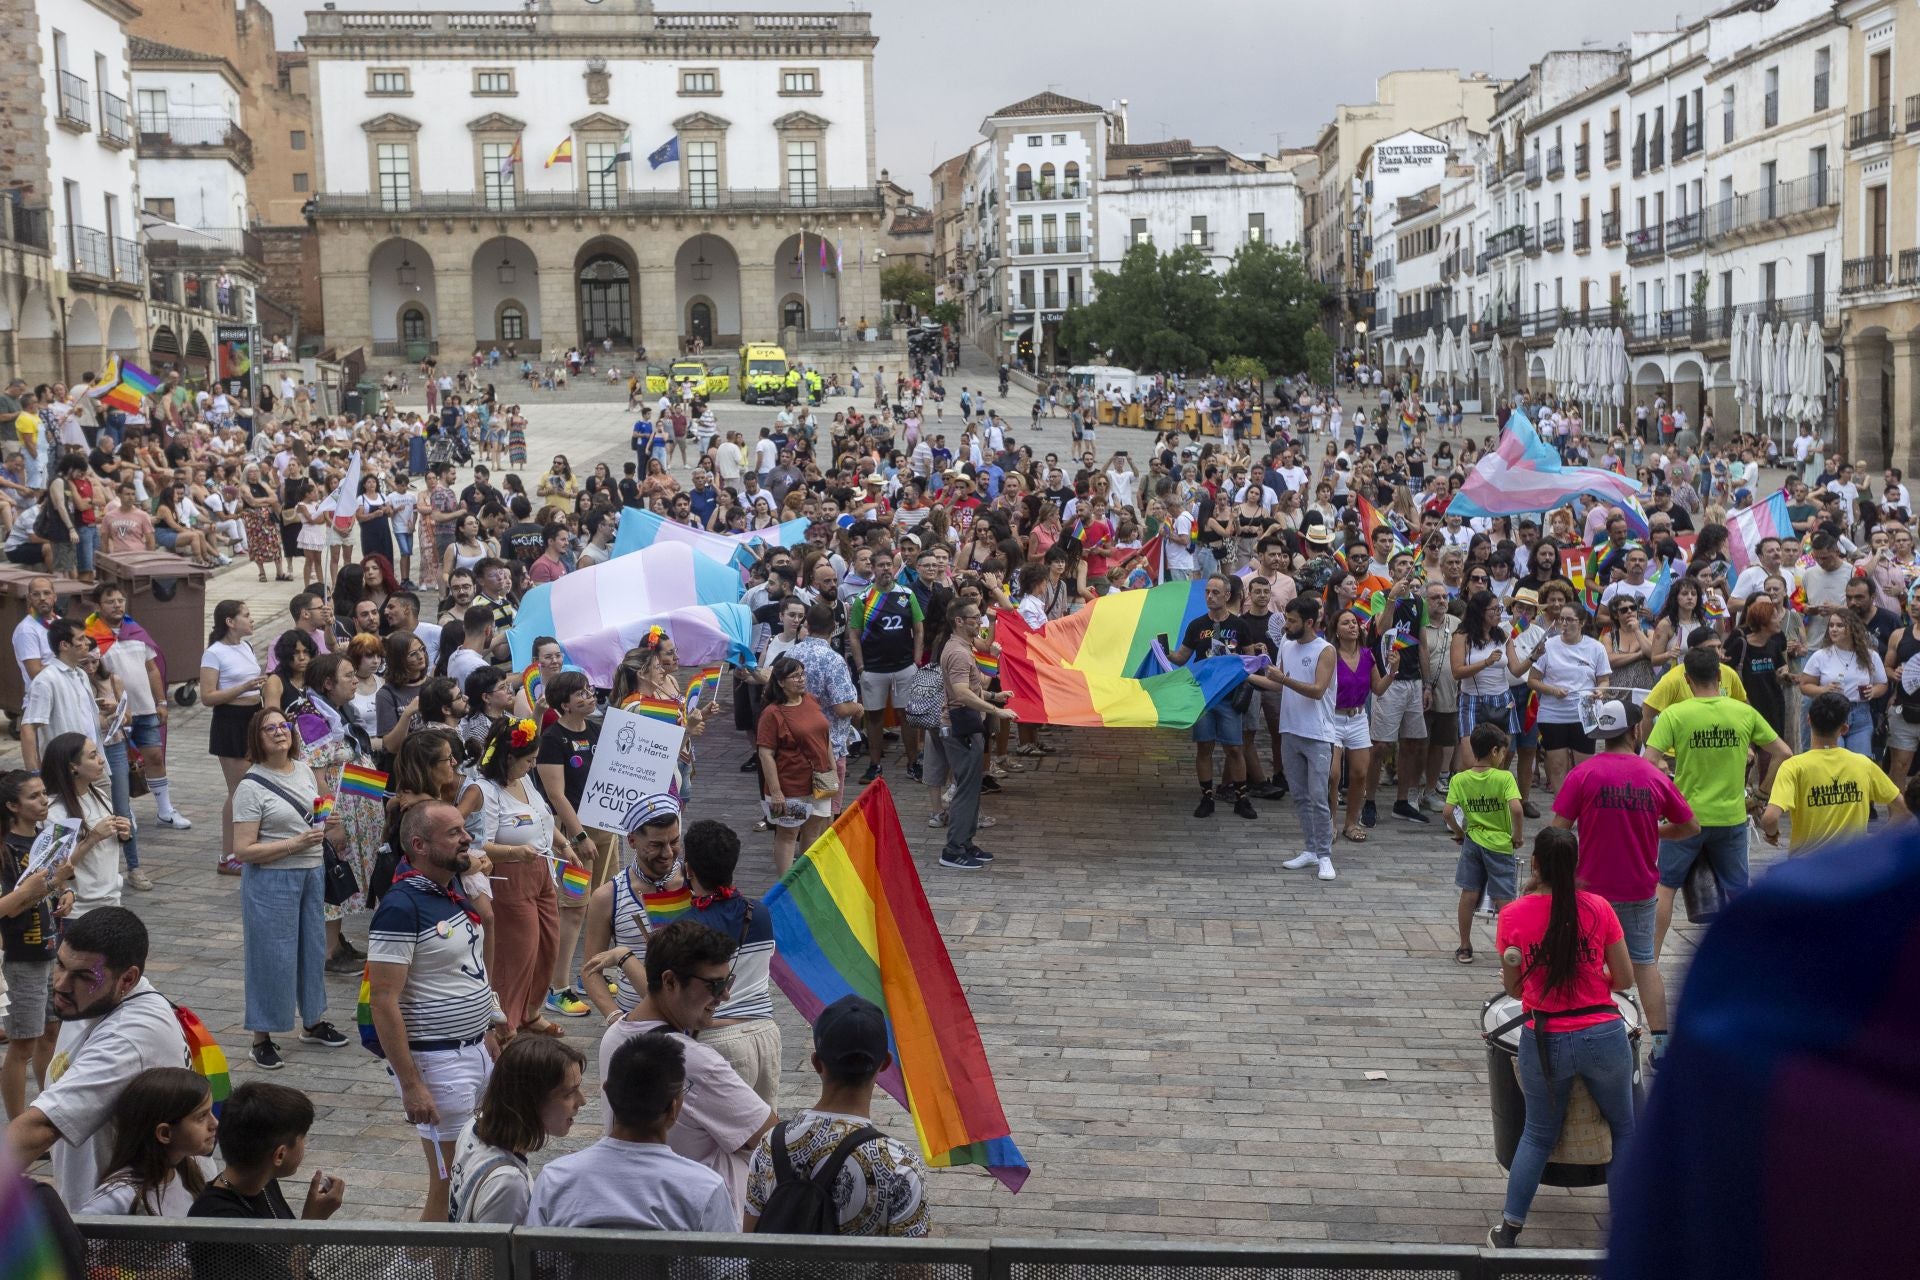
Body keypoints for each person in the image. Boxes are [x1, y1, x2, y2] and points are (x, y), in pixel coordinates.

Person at [1486, 828, 1636, 1250]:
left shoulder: (1513, 914)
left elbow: (1515, 990)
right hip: (1603, 1035)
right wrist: (1594, 980)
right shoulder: (1599, 908)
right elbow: (1624, 978)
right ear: (1576, 865)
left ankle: (1510, 1230)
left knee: (1536, 1134)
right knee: (1624, 1128)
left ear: (1535, 864)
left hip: (1545, 1037)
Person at [366, 800, 500, 1222]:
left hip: (474, 1049)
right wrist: (411, 1084)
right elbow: (383, 999)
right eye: (454, 833)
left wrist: (489, 1024)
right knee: (447, 1186)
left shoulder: (450, 889)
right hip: (438, 1062)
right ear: (420, 845)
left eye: (464, 829)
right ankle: (427, 1265)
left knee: (476, 1173)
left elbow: (468, 970)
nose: (467, 839)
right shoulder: (401, 906)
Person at [5, 908, 190, 1209]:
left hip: (140, 1235)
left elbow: (40, 1129)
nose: (61, 984)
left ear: (128, 979)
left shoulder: (128, 1038)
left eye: (82, 976)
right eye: (60, 966)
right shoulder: (94, 999)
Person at [598, 919, 776, 1222]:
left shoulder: (616, 1034)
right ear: (669, 981)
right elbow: (772, 1139)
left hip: (641, 1203)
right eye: (715, 985)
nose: (725, 996)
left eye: (728, 982)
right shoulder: (695, 1061)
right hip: (702, 1214)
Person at [1551, 698, 1699, 1061]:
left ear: (1601, 733)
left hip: (1588, 890)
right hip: (1639, 889)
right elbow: (1691, 826)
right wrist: (1657, 831)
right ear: (1635, 731)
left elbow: (1558, 833)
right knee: (1644, 963)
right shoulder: (1653, 776)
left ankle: (1577, 1034)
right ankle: (1662, 1047)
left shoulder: (1582, 774)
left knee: (1581, 960)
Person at [1643, 648, 1791, 959]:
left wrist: (1664, 791)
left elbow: (1648, 764)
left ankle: (1651, 959)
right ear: (1721, 676)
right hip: (1731, 816)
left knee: (1665, 887)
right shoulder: (1743, 713)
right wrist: (1761, 794)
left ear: (1686, 679)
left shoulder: (1675, 714)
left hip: (1685, 818)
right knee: (1738, 891)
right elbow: (1783, 753)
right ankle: (1750, 957)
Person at [744, 993, 930, 1236]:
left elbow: (749, 1243)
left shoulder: (770, 1145)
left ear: (816, 1063)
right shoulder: (900, 1166)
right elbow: (913, 1270)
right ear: (884, 1063)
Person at [231, 707, 349, 1069]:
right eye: (270, 729)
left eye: (284, 726)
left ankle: (312, 1021)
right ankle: (261, 1037)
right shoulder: (250, 787)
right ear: (257, 738)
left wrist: (329, 820)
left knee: (312, 948)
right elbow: (243, 850)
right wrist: (293, 844)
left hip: (311, 873)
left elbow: (318, 806)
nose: (280, 732)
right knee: (271, 955)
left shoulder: (302, 770)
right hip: (271, 878)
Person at [526, 1032, 735, 1232]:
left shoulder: (555, 1180)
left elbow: (535, 1263)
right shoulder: (705, 1188)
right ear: (673, 1109)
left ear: (607, 1091)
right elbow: (728, 1267)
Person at [472, 716, 567, 1039]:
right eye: (529, 760)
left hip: (541, 870)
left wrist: (566, 843)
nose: (533, 766)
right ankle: (505, 1024)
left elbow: (543, 817)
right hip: (510, 876)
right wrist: (515, 853)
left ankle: (531, 1010)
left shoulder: (524, 780)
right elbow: (478, 843)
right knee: (519, 952)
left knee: (548, 945)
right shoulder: (486, 791)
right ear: (509, 758)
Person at [677, 820, 780, 1107]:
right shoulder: (759, 913)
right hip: (765, 1034)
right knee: (762, 1136)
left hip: (719, 1037)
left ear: (689, 870)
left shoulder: (688, 926)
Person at [446, 1036, 586, 1223]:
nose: (582, 1101)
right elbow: (494, 1252)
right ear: (531, 1101)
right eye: (569, 1093)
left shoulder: (475, 1125)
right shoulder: (508, 1184)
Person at [0, 771, 74, 1122]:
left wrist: (64, 891)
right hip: (20, 955)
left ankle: (46, 1111)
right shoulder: (5, 849)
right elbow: (9, 904)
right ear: (12, 806)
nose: (44, 800)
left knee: (51, 1032)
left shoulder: (46, 840)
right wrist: (26, 893)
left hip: (48, 949)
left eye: (44, 793)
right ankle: (17, 1125)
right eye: (34, 796)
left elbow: (49, 887)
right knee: (22, 1044)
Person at [534, 671, 604, 1021]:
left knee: (604, 903)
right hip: (575, 839)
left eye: (590, 690)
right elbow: (555, 794)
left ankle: (591, 970)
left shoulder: (596, 731)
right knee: (574, 909)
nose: (590, 696)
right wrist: (578, 837)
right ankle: (557, 989)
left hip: (606, 834)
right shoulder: (553, 739)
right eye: (581, 693)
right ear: (564, 704)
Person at [579, 794, 685, 1022]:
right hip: (638, 1023)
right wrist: (615, 1017)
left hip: (693, 1024)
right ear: (632, 840)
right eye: (656, 845)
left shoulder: (695, 884)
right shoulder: (607, 897)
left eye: (674, 841)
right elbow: (590, 969)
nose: (668, 853)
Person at [1762, 691, 1906, 854]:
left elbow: (1770, 818)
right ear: (1844, 728)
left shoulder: (1793, 767)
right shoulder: (1863, 764)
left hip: (1807, 870)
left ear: (1809, 720)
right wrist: (1875, 841)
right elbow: (1903, 809)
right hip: (1853, 868)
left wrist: (1771, 834)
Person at [188, 1081, 345, 1227]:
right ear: (280, 1155)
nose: (305, 1143)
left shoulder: (262, 1180)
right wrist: (312, 1223)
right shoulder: (217, 1219)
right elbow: (282, 1258)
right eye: (302, 1137)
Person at [932, 600, 1017, 870]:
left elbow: (972, 686)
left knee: (971, 788)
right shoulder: (957, 652)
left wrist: (994, 695)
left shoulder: (964, 648)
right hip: (960, 728)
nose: (979, 623)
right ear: (958, 621)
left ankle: (966, 843)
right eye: (974, 618)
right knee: (965, 790)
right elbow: (961, 692)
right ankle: (953, 849)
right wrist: (996, 710)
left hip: (967, 725)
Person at [78, 1066, 217, 1216]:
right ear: (164, 1133)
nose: (215, 1123)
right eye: (201, 1117)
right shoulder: (119, 1197)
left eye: (210, 1112)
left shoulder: (191, 1172)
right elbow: (80, 1233)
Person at [1269, 597, 1338, 879]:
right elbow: (1275, 682)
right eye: (1287, 619)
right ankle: (1310, 850)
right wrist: (1243, 674)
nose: (1287, 625)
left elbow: (1318, 689)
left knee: (1319, 797)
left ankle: (1325, 855)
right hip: (1290, 730)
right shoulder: (1286, 645)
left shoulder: (1326, 650)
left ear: (1310, 622)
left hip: (1317, 734)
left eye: (1293, 621)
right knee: (1299, 796)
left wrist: (1282, 679)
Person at [1445, 722, 1523, 964]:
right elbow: (1517, 809)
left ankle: (1465, 946)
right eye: (1502, 752)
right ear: (1494, 751)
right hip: (1500, 843)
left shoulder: (1460, 779)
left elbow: (1448, 812)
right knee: (1505, 898)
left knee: (1469, 893)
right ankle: (1510, 947)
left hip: (1472, 841)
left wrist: (1460, 832)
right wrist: (1517, 836)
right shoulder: (1504, 778)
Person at [202, 600, 270, 875]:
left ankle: (249, 845)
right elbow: (207, 697)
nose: (251, 620)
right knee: (239, 791)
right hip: (230, 722)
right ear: (230, 621)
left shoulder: (246, 646)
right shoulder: (214, 653)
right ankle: (228, 854)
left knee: (255, 787)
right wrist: (244, 687)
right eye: (246, 615)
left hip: (252, 719)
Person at [847, 547, 925, 783]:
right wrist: (860, 665)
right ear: (872, 568)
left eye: (888, 565)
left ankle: (913, 763)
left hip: (904, 666)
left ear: (893, 567)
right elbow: (854, 634)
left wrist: (917, 659)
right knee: (874, 717)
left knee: (907, 716)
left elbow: (919, 628)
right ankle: (875, 765)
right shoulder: (863, 599)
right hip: (873, 668)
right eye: (880, 565)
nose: (885, 569)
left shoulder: (906, 594)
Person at [756, 654, 836, 876]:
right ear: (781, 682)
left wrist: (832, 769)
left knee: (814, 830)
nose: (801, 680)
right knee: (789, 834)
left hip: (820, 781)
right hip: (791, 785)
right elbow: (766, 754)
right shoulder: (772, 713)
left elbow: (824, 737)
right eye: (795, 676)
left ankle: (806, 879)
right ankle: (786, 885)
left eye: (802, 674)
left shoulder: (810, 701)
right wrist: (776, 791)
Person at [42, 732, 129, 918]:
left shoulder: (99, 795)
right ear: (73, 767)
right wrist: (93, 838)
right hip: (78, 911)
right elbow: (55, 867)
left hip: (112, 901)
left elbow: (107, 848)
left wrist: (123, 834)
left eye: (98, 753)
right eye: (92, 756)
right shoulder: (55, 812)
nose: (101, 761)